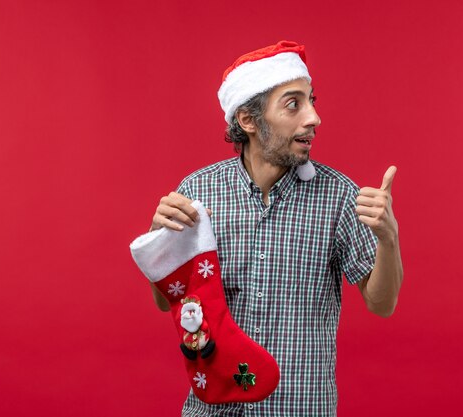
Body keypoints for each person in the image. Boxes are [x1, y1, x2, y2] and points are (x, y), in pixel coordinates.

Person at [147, 40, 403, 416]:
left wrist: (388, 238)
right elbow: (167, 303)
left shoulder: (339, 196)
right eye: (293, 103)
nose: (313, 118)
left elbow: (382, 304)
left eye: (311, 100)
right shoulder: (197, 194)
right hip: (214, 408)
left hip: (301, 406)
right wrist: (161, 246)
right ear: (249, 121)